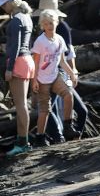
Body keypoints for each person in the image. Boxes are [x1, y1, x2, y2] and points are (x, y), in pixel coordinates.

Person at [35, 0, 88, 143]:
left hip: (60, 73)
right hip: (47, 74)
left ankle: (71, 136)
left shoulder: (62, 28)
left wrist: (73, 71)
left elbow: (68, 53)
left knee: (79, 109)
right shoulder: (41, 34)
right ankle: (59, 139)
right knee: (50, 108)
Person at [0, 0, 35, 156]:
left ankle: (23, 143)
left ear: (12, 2)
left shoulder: (15, 21)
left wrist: (9, 69)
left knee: (21, 106)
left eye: (4, 3)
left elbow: (15, 46)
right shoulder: (27, 18)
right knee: (22, 104)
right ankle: (22, 140)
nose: (3, 7)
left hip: (18, 61)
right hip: (28, 60)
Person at [30, 9, 79, 144]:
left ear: (56, 23)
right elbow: (35, 63)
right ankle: (40, 136)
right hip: (42, 79)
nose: (49, 26)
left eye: (51, 23)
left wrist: (72, 74)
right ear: (42, 26)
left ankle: (68, 124)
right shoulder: (40, 41)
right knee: (45, 110)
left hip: (55, 75)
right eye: (46, 24)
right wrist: (34, 81)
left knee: (68, 94)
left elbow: (62, 61)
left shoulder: (59, 39)